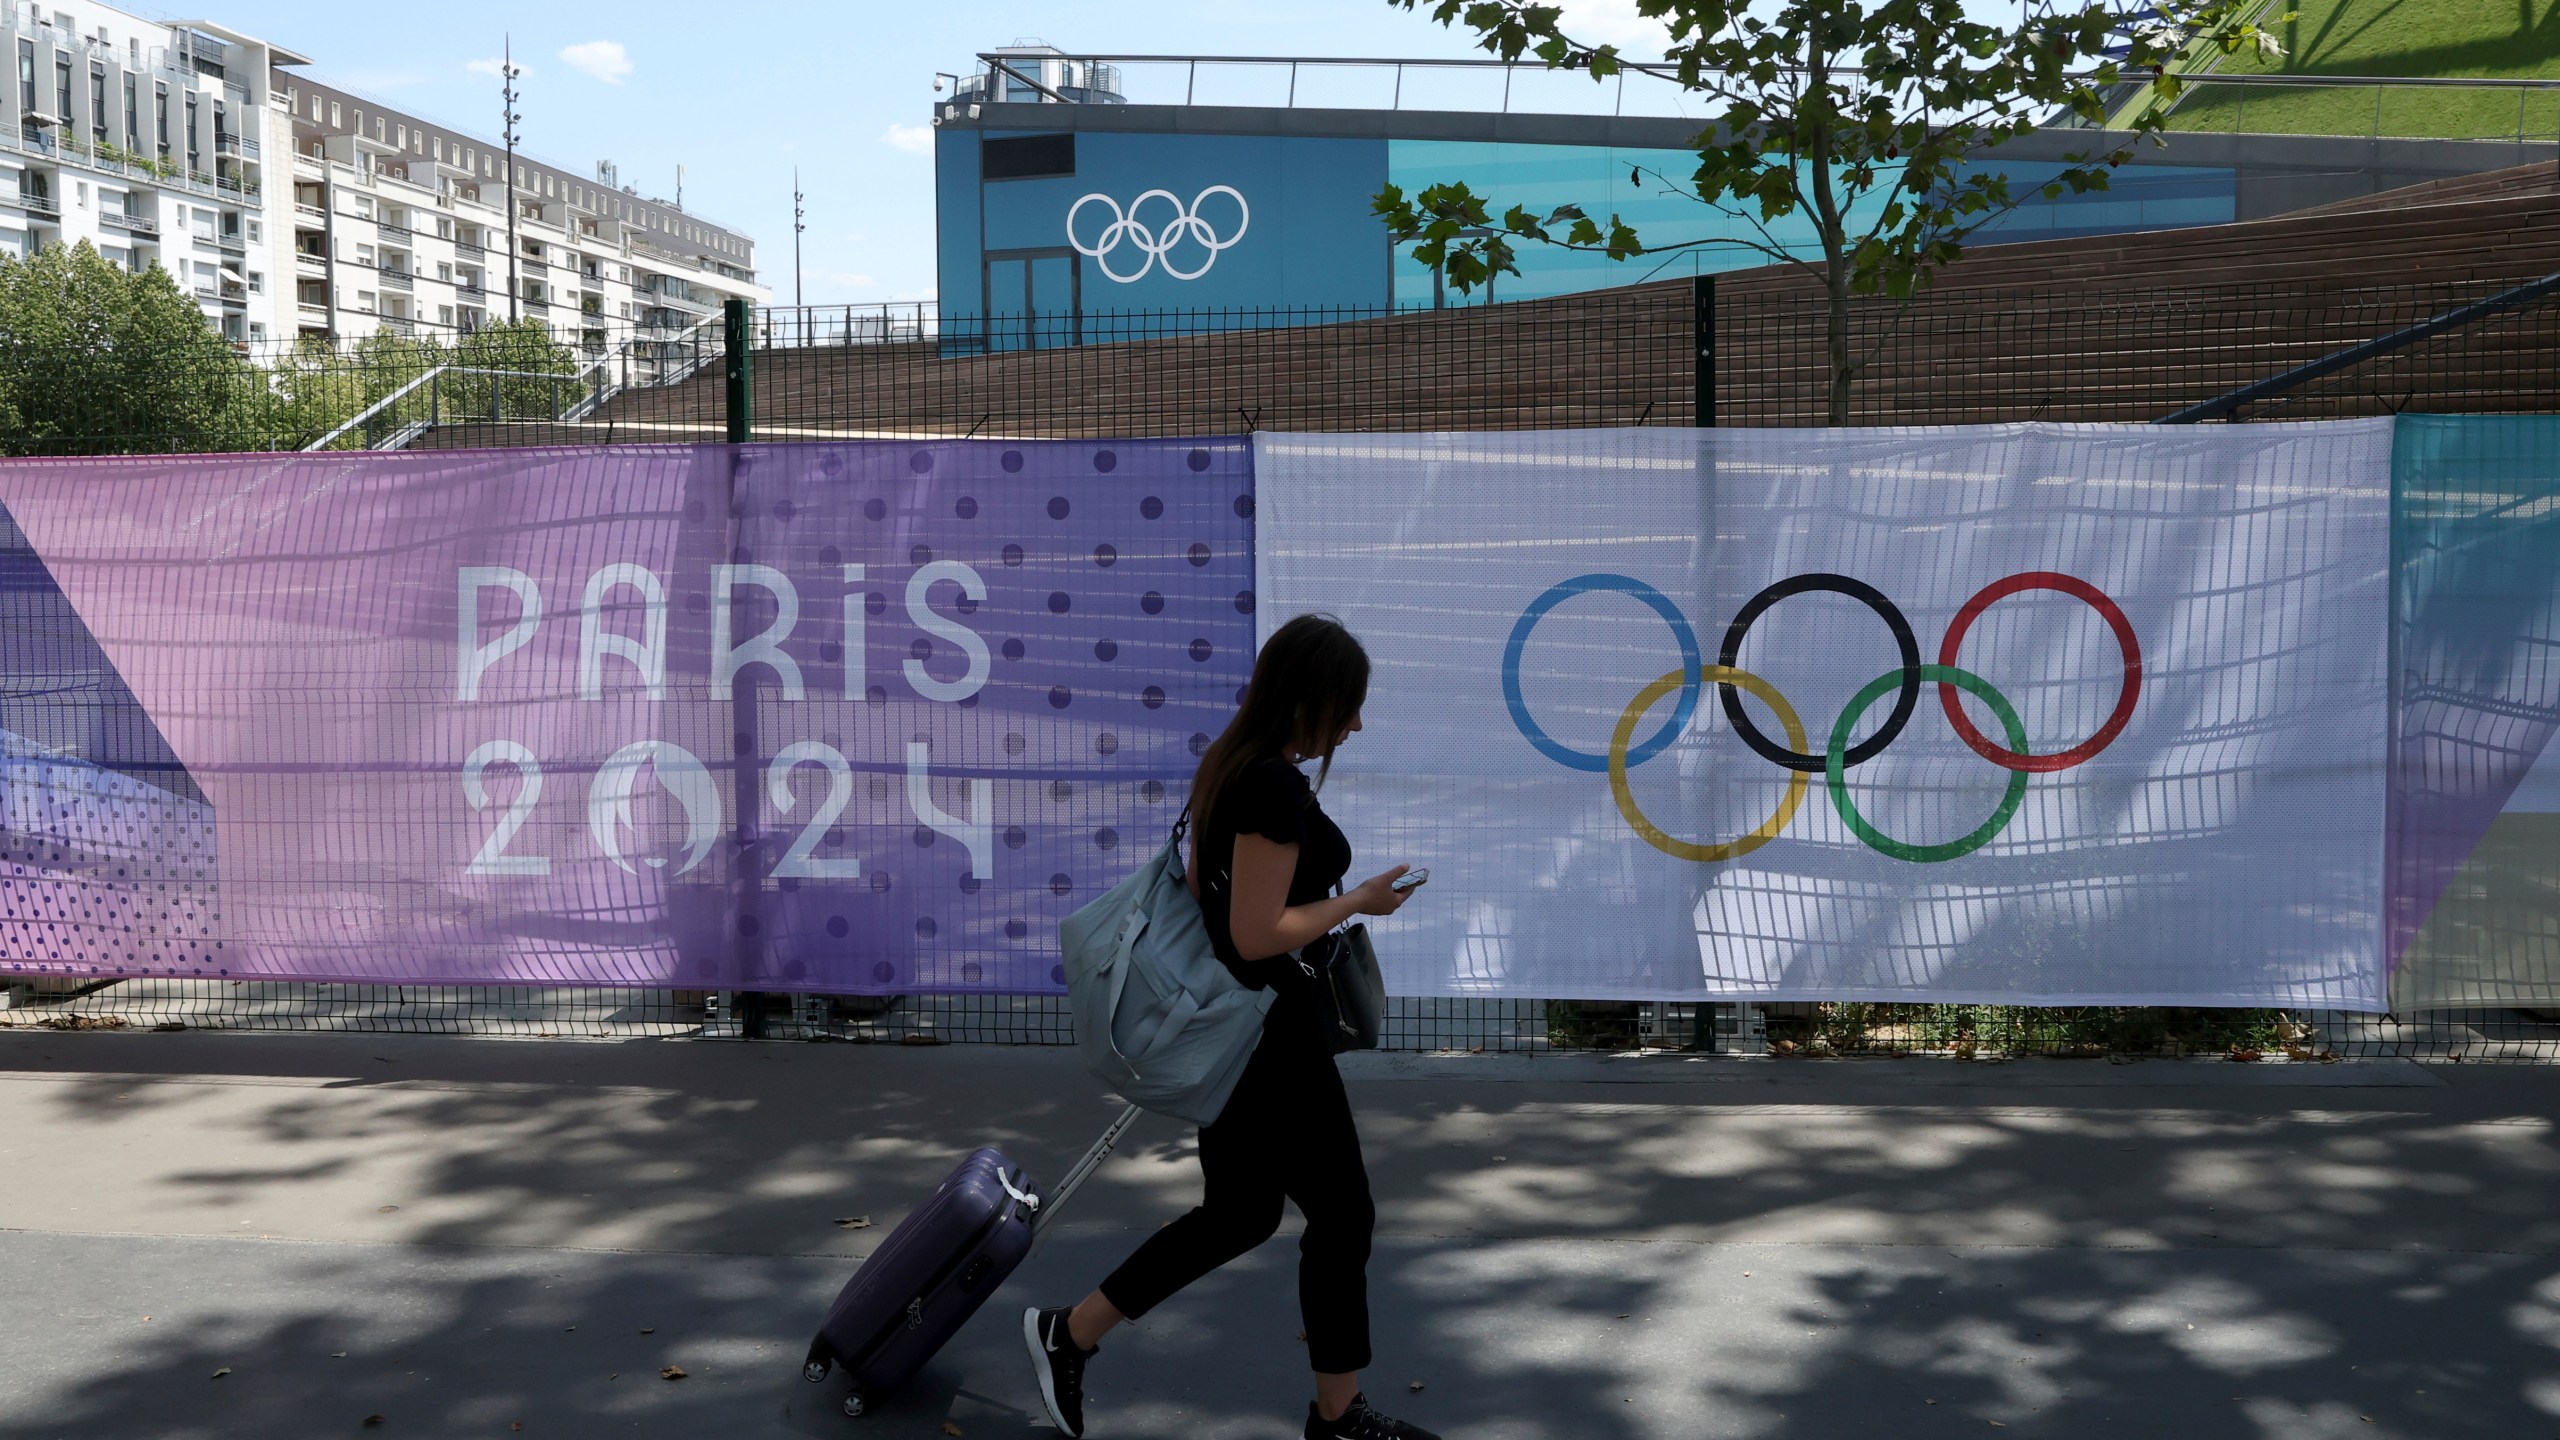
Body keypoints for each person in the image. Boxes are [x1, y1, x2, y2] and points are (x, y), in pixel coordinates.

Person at [1024, 614, 1435, 1440]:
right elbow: (1254, 935)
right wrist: (1359, 901)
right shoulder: (1272, 787)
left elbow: (1214, 901)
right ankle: (1339, 1419)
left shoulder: (1235, 766)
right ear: (1316, 700)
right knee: (1343, 1215)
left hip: (1242, 1032)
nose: (1356, 725)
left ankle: (1067, 1335)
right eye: (1350, 706)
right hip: (1265, 1037)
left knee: (1242, 1212)